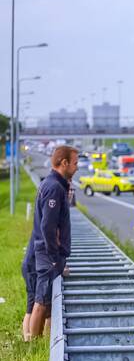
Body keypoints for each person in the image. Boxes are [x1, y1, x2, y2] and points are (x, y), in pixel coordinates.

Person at [23, 145, 78, 340]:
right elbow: (47, 226)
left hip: (47, 252)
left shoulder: (53, 184)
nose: (77, 167)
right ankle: (33, 348)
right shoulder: (54, 187)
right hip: (48, 254)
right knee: (42, 301)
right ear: (64, 163)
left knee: (46, 302)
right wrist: (55, 257)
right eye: (75, 163)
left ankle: (38, 344)